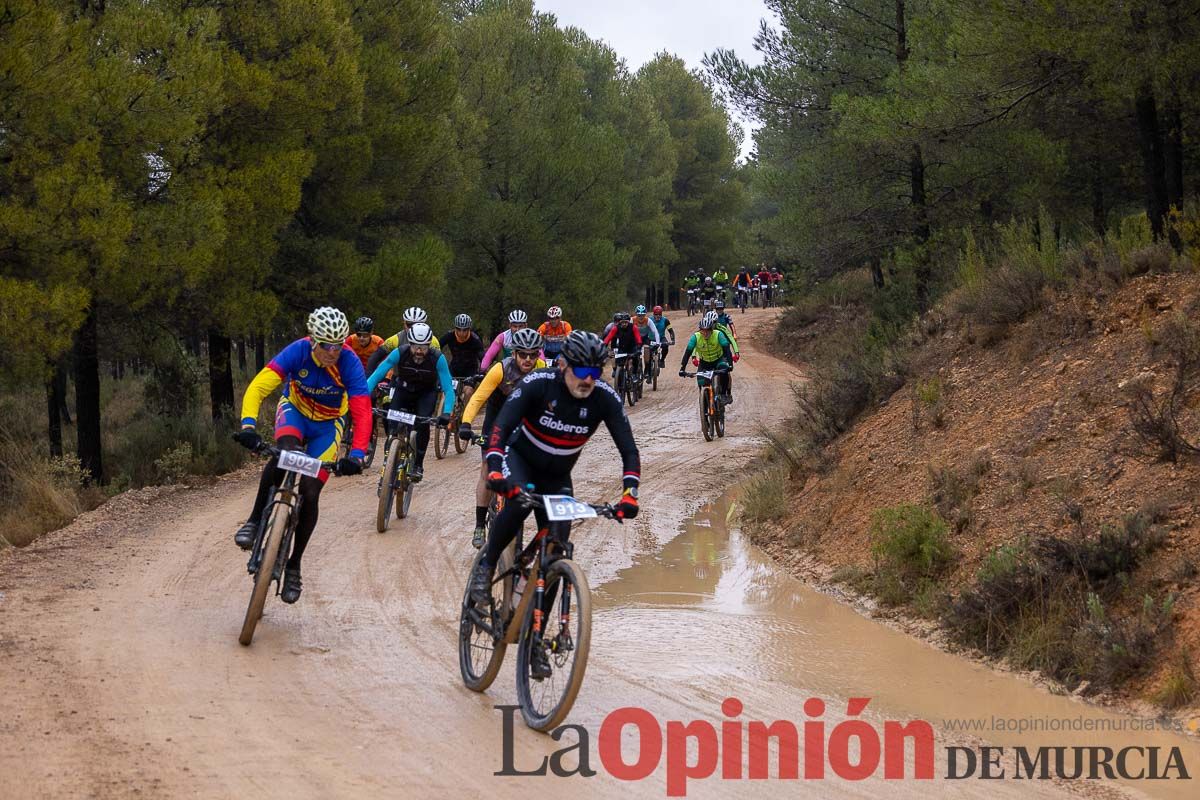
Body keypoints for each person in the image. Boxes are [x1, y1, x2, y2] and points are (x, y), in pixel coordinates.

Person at [468, 331, 641, 678]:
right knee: (517, 504)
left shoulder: (604, 397)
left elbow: (629, 449)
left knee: (558, 554)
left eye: (596, 372)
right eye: (582, 371)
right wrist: (497, 468)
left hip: (558, 476)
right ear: (562, 364)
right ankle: (486, 567)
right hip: (520, 461)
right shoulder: (538, 382)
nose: (589, 380)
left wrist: (629, 493)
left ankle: (534, 642)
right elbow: (501, 426)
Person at [233, 307, 369, 604]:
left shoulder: (349, 362)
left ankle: (294, 565)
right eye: (327, 345)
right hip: (294, 411)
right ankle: (255, 521)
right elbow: (258, 387)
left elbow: (361, 409)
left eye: (339, 344)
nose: (334, 351)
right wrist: (248, 426)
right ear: (313, 341)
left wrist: (357, 454)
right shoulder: (297, 351)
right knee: (283, 454)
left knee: (310, 489)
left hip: (327, 424)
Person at [456, 327, 545, 549]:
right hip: (496, 422)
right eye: (523, 354)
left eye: (533, 354)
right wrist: (466, 424)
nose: (528, 359)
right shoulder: (499, 370)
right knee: (487, 470)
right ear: (513, 353)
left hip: (522, 422)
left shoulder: (541, 369)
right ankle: (479, 525)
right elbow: (477, 399)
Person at [364, 322, 454, 483]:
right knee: (392, 424)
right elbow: (378, 374)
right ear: (409, 343)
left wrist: (447, 412)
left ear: (429, 345)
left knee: (422, 424)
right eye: (415, 347)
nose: (419, 351)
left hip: (426, 394)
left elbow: (448, 388)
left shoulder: (437, 358)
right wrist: (363, 397)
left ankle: (418, 465)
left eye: (423, 347)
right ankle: (389, 459)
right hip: (403, 390)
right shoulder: (399, 352)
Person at [678, 310, 734, 406]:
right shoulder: (695, 337)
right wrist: (682, 369)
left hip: (718, 360)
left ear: (711, 329)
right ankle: (704, 404)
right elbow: (687, 353)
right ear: (700, 330)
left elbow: (727, 349)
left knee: (724, 371)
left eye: (707, 330)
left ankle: (724, 394)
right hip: (704, 362)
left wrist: (730, 364)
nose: (705, 333)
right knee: (701, 382)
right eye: (703, 330)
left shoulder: (718, 335)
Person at [366, 306, 441, 376]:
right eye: (409, 324)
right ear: (404, 323)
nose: (413, 328)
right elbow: (374, 357)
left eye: (418, 324)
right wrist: (368, 377)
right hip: (399, 380)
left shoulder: (433, 341)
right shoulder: (396, 339)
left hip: (425, 381)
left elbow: (439, 366)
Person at [439, 313, 486, 408]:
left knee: (468, 391)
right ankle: (442, 415)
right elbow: (437, 348)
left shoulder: (475, 339)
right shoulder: (449, 336)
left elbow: (483, 359)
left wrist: (483, 372)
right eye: (459, 329)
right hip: (454, 367)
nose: (461, 333)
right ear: (455, 328)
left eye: (465, 330)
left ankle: (465, 416)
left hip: (470, 370)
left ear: (469, 329)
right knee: (446, 392)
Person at [602, 311, 644, 387]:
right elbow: (608, 338)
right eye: (622, 322)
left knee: (635, 359)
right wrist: (603, 347)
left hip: (632, 347)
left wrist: (638, 348)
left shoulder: (633, 327)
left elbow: (638, 338)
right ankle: (620, 380)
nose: (624, 324)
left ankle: (634, 374)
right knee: (619, 363)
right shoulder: (615, 328)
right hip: (622, 348)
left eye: (626, 322)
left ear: (628, 322)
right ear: (619, 322)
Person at [632, 304, 663, 378]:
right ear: (636, 314)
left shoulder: (648, 320)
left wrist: (658, 343)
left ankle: (646, 369)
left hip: (645, 338)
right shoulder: (632, 320)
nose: (641, 317)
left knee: (647, 350)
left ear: (645, 315)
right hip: (635, 339)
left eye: (642, 315)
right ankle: (635, 371)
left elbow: (655, 332)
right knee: (634, 354)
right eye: (639, 315)